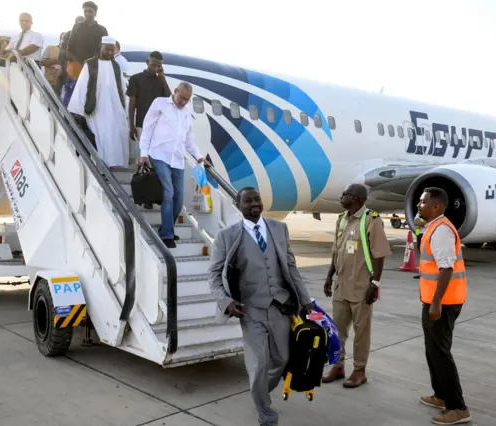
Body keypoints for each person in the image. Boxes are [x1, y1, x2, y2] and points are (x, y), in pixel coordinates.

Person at [208, 186, 314, 426]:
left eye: (257, 199)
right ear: (239, 205)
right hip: (251, 310)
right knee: (258, 365)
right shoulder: (227, 236)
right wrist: (225, 302)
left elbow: (291, 267)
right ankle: (266, 414)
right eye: (248, 201)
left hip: (280, 307)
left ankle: (259, 393)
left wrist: (305, 300)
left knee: (282, 360)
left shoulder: (279, 228)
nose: (254, 204)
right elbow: (214, 274)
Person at [322, 183, 391, 388]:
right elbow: (336, 252)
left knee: (361, 332)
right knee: (337, 330)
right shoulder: (341, 219)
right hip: (341, 285)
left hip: (362, 287)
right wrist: (329, 277)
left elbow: (379, 254)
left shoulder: (371, 220)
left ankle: (359, 371)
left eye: (346, 194)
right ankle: (338, 366)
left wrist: (375, 283)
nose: (342, 196)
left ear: (358, 198)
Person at [416, 187, 471, 425]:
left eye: (423, 202)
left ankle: (457, 407)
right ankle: (440, 395)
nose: (419, 205)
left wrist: (436, 303)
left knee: (440, 353)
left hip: (444, 303)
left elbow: (446, 267)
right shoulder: (433, 227)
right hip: (433, 300)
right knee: (432, 351)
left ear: (436, 207)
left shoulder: (441, 231)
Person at [138, 82, 207, 248]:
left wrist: (198, 156)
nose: (183, 102)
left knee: (179, 198)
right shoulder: (160, 103)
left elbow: (189, 139)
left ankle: (167, 226)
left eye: (187, 99)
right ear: (175, 91)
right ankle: (167, 234)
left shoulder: (186, 113)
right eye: (181, 97)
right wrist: (143, 153)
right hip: (159, 155)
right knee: (168, 193)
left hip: (177, 159)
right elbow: (147, 128)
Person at [67, 36, 129, 168]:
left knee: (118, 135)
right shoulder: (90, 64)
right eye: (107, 49)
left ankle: (117, 166)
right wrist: (79, 111)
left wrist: (125, 109)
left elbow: (123, 90)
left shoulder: (116, 66)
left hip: (115, 110)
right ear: (101, 46)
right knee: (102, 137)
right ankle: (102, 167)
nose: (110, 53)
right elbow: (82, 87)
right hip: (96, 109)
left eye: (112, 50)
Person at [126, 51, 171, 160]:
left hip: (157, 127)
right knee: (142, 157)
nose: (155, 69)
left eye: (158, 66)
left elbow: (169, 99)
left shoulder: (160, 82)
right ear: (147, 62)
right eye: (153, 65)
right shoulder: (136, 79)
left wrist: (162, 78)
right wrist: (131, 126)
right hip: (141, 124)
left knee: (155, 158)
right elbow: (132, 104)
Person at [66, 1, 108, 81]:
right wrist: (77, 63)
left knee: (92, 91)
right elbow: (69, 49)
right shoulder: (77, 27)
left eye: (90, 11)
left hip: (94, 67)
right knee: (76, 90)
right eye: (85, 11)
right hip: (77, 67)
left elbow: (104, 51)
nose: (87, 13)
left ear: (95, 13)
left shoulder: (102, 30)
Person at [56, 16, 85, 97]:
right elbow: (62, 51)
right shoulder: (68, 34)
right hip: (67, 66)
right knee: (62, 87)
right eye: (78, 23)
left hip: (81, 68)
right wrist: (59, 65)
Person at [413, 211, 426, 279]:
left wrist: (422, 222)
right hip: (419, 235)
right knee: (421, 255)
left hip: (426, 234)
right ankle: (421, 272)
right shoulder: (419, 212)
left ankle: (426, 272)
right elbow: (415, 221)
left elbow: (428, 223)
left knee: (427, 255)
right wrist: (423, 222)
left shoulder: (430, 211)